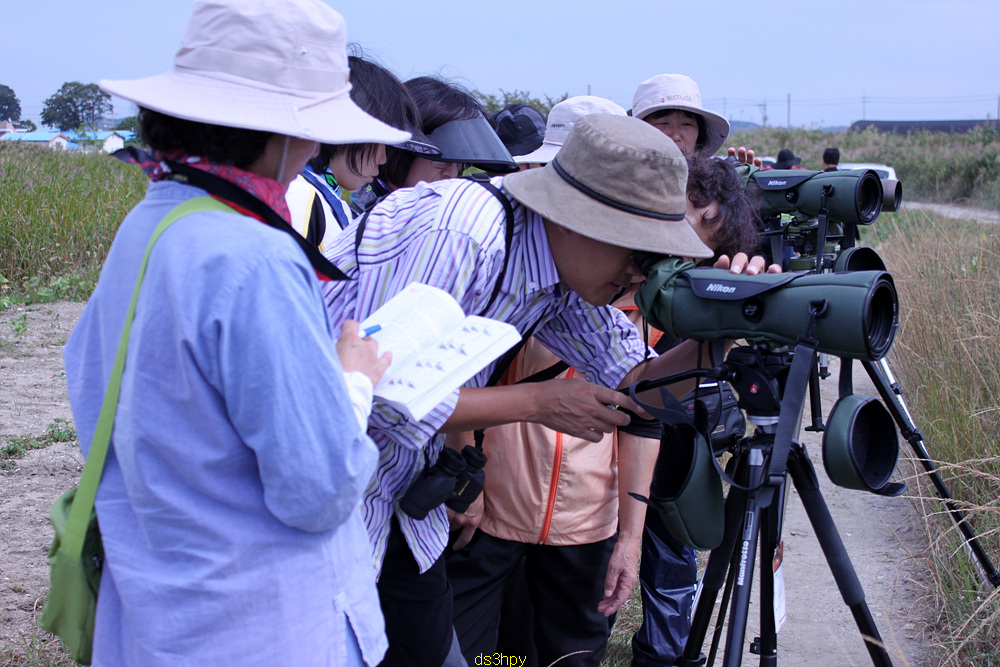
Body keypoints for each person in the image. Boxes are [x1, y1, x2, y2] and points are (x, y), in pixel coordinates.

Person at [321, 113, 776, 665]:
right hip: (322, 493)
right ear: (582, 220)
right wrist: (536, 403)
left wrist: (723, 328)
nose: (642, 276)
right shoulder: (464, 231)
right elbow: (376, 401)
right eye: (642, 254)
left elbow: (636, 389)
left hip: (392, 498)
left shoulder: (560, 277)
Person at [61, 1, 405, 664]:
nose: (312, 150)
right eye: (311, 132)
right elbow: (318, 487)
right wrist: (352, 382)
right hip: (261, 625)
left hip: (164, 608)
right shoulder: (255, 255)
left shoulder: (150, 223)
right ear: (278, 132)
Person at [445, 152, 761, 667]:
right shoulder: (527, 269)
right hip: (493, 511)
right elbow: (441, 383)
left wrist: (721, 329)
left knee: (564, 657)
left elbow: (643, 404)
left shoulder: (630, 305)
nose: (654, 259)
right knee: (493, 657)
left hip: (583, 524)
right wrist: (466, 475)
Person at [285, 53, 438, 248]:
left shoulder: (319, 193)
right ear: (349, 129)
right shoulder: (299, 194)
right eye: (379, 141)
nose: (382, 158)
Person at [350, 76, 517, 214]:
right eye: (443, 159)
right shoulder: (352, 222)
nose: (451, 174)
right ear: (401, 151)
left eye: (461, 165)